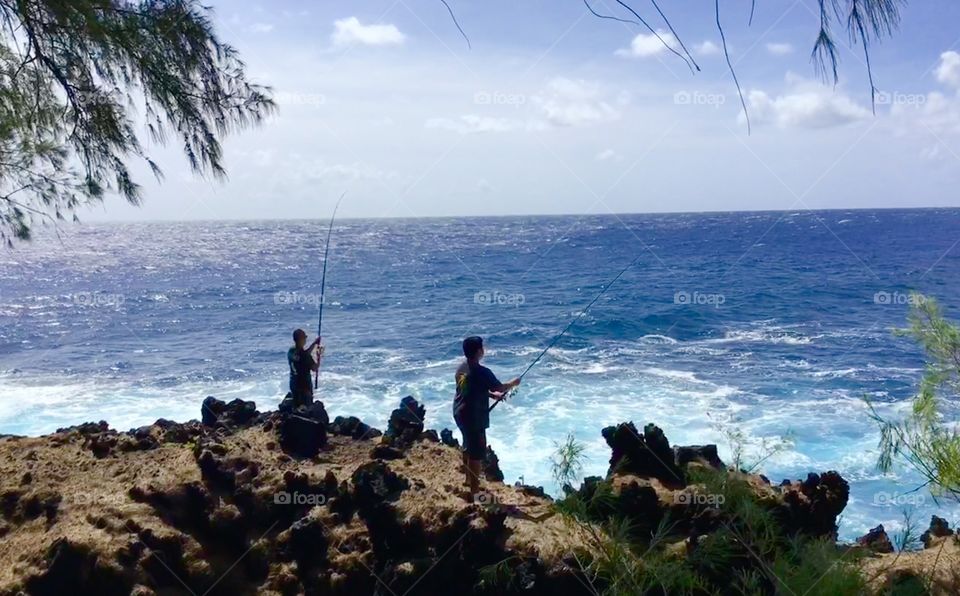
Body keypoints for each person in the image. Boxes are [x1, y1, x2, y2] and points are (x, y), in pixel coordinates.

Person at [453, 336, 520, 500]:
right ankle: (475, 494)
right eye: (482, 347)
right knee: (476, 453)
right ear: (478, 351)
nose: (484, 349)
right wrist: (514, 383)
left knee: (468, 446)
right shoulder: (482, 371)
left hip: (459, 412)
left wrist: (491, 395)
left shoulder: (462, 368)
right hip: (473, 417)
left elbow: (471, 388)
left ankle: (468, 481)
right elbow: (500, 386)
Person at [288, 328, 323, 407]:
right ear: (301, 339)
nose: (306, 339)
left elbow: (303, 354)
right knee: (307, 409)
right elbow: (314, 368)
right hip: (305, 387)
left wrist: (314, 344)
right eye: (305, 337)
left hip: (294, 384)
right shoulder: (305, 356)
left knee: (297, 407)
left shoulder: (291, 351)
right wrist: (319, 356)